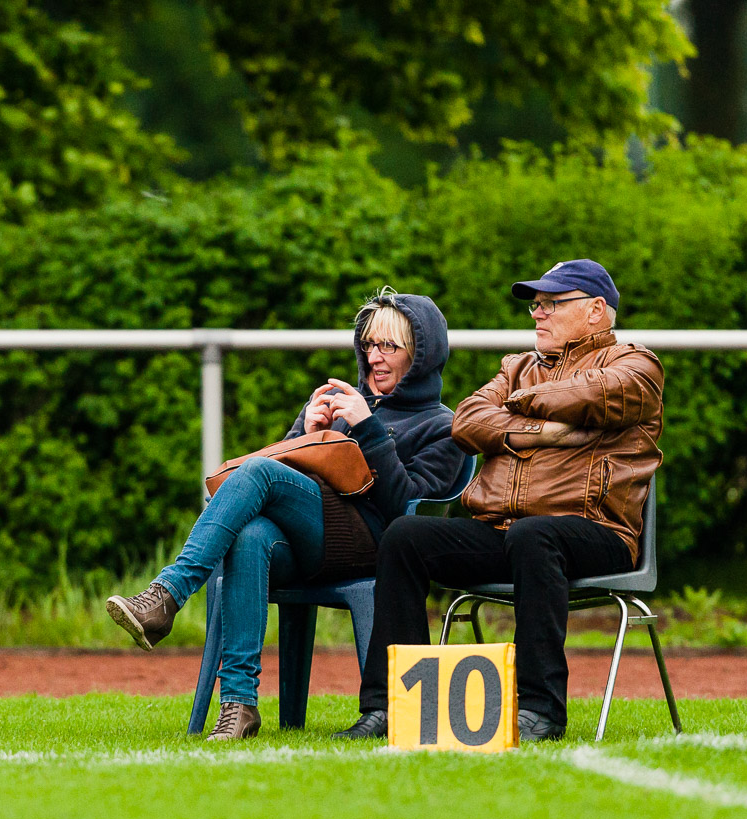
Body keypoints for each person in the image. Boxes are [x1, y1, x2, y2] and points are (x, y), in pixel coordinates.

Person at [106, 290, 466, 741]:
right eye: (368, 345)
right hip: (311, 541)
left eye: (388, 347)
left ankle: (170, 592)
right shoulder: (340, 408)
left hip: (373, 547)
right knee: (251, 535)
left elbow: (406, 510)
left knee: (257, 470)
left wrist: (369, 429)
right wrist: (307, 434)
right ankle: (239, 706)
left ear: (421, 355)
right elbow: (283, 480)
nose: (374, 357)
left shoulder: (443, 426)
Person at [335, 259, 663, 743]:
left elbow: (598, 392)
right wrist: (546, 432)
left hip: (597, 531)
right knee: (406, 535)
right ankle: (391, 706)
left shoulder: (637, 364)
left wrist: (516, 404)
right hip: (505, 532)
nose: (537, 314)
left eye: (552, 304)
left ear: (597, 311)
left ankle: (538, 710)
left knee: (536, 534)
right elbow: (466, 422)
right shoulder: (517, 366)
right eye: (536, 304)